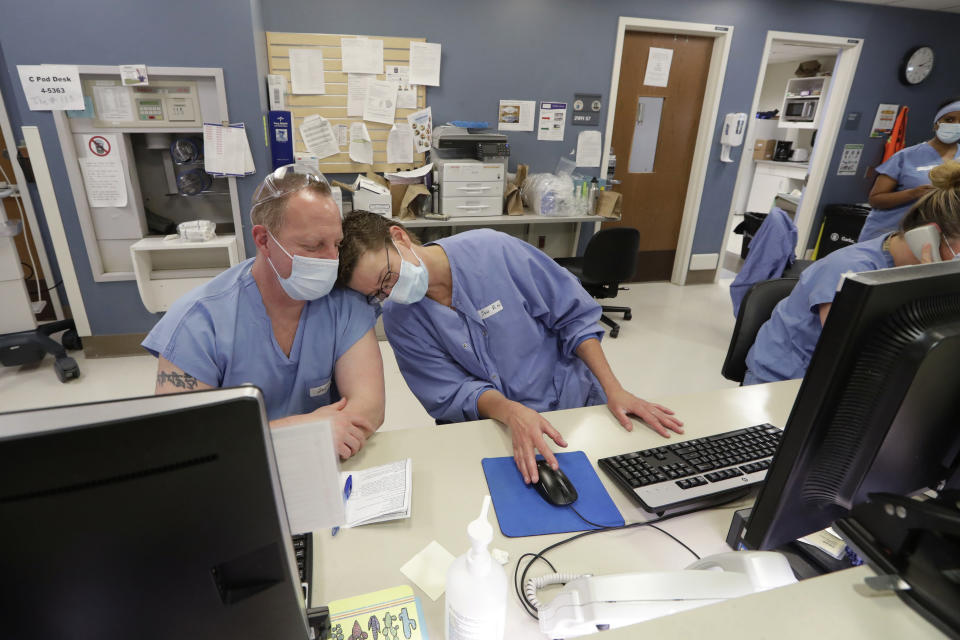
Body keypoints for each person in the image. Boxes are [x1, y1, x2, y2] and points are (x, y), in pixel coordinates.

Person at [337, 211, 683, 484]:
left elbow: (573, 317)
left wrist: (615, 390)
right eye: (378, 293)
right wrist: (511, 412)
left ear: (399, 237)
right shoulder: (401, 318)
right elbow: (450, 392)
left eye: (388, 276)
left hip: (571, 403)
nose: (391, 292)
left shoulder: (493, 251)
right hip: (496, 428)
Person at [142, 165, 385, 459]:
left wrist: (245, 436)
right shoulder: (198, 322)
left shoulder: (344, 303)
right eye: (313, 246)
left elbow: (368, 408)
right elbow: (182, 437)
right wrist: (299, 432)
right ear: (263, 240)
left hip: (331, 464)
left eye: (337, 244)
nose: (331, 261)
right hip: (237, 471)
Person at [745, 160, 960, 385]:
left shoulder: (908, 268)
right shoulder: (851, 271)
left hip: (841, 384)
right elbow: (858, 354)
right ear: (930, 237)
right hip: (783, 382)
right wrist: (929, 289)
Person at [858, 98, 960, 241]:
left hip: (936, 238)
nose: (956, 125)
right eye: (949, 119)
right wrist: (913, 194)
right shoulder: (905, 157)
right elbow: (875, 199)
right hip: (889, 236)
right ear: (936, 124)